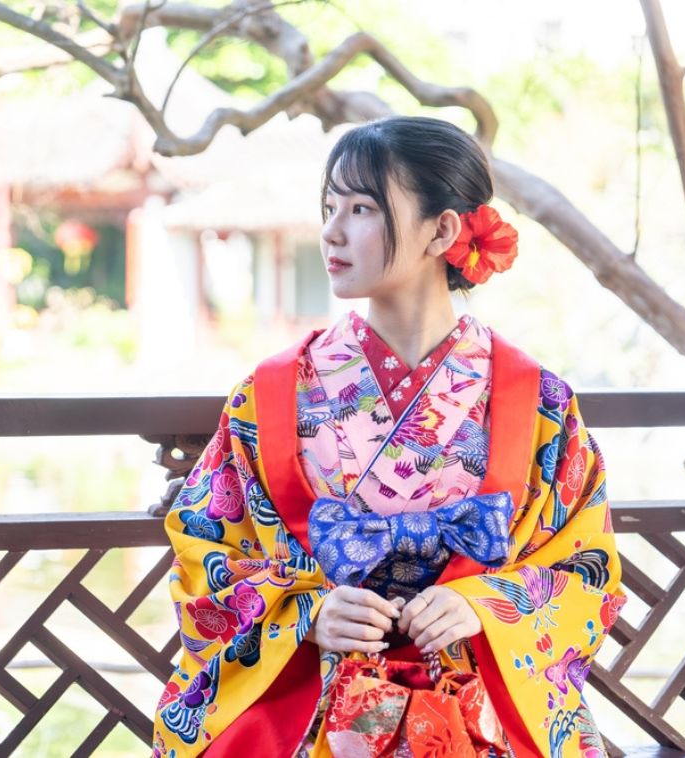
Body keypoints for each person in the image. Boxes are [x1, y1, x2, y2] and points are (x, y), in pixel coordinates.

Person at [152, 116, 625, 758]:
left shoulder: (536, 400)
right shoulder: (270, 394)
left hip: (476, 706)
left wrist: (487, 604)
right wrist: (309, 614)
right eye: (329, 207)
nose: (333, 231)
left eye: (363, 208)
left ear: (444, 230)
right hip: (316, 707)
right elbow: (207, 547)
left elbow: (585, 569)